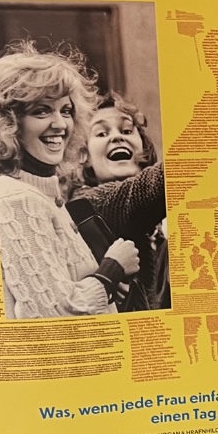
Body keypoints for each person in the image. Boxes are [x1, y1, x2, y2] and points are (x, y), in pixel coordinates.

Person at [0, 42, 140, 319]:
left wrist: (103, 283)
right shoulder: (17, 199)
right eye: (42, 111)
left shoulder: (42, 192)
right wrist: (111, 271)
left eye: (66, 111)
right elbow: (53, 314)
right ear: (9, 123)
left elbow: (58, 289)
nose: (60, 124)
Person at [64, 92, 170, 311]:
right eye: (102, 133)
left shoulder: (159, 229)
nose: (116, 137)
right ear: (83, 155)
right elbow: (145, 191)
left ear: (143, 148)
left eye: (127, 130)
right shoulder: (87, 203)